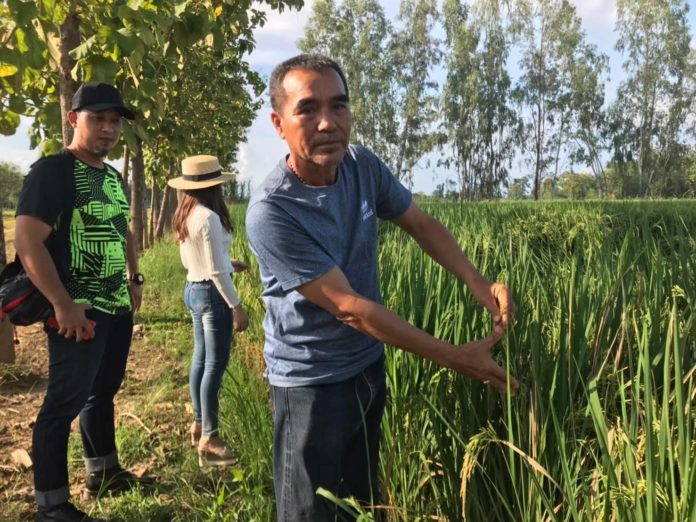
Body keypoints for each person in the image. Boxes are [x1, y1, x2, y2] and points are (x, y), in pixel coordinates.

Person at [245, 54, 520, 521]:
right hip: (309, 384)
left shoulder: (362, 166)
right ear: (279, 123)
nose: (328, 123)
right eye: (308, 109)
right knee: (310, 512)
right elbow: (349, 307)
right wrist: (456, 357)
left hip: (368, 368)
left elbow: (419, 221)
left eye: (339, 106)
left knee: (364, 503)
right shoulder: (272, 211)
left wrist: (478, 280)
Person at [15, 82, 144, 522]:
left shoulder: (111, 176)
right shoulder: (52, 172)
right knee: (62, 405)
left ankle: (103, 473)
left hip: (115, 304)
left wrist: (135, 277)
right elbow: (27, 240)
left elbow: (121, 228)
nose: (108, 129)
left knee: (102, 391)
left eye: (114, 122)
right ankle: (51, 505)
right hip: (78, 309)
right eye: (98, 119)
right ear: (74, 119)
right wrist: (62, 304)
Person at [169, 155, 250, 467]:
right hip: (211, 293)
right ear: (214, 186)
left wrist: (230, 264)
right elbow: (215, 272)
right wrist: (237, 307)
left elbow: (196, 261)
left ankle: (200, 424)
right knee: (215, 364)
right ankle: (210, 437)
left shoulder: (186, 213)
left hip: (193, 290)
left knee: (201, 359)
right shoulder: (209, 217)